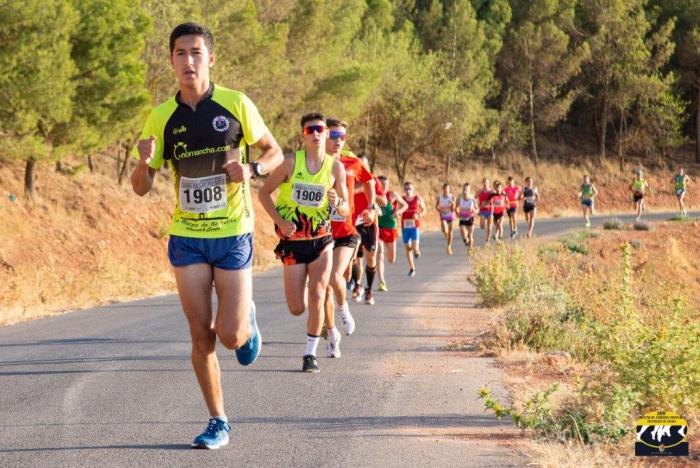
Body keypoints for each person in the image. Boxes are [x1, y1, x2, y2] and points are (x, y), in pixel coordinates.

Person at [131, 23, 283, 449]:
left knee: (231, 336)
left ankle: (246, 323)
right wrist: (143, 164)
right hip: (188, 236)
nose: (188, 60)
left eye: (196, 52)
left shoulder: (236, 103)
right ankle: (218, 421)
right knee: (201, 335)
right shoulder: (161, 116)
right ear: (171, 61)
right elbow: (140, 187)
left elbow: (275, 152)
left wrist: (252, 170)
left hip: (232, 232)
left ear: (210, 58)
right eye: (180, 53)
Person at [259, 113, 349, 373]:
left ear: (326, 133)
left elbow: (346, 210)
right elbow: (264, 194)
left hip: (322, 240)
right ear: (303, 135)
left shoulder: (335, 168)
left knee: (319, 294)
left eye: (321, 129)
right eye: (311, 130)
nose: (316, 133)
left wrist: (338, 203)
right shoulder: (290, 162)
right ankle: (315, 319)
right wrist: (280, 222)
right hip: (293, 242)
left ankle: (310, 354)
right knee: (297, 307)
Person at [321, 119, 375, 358]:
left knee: (335, 278)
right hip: (319, 233)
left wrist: (372, 206)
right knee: (323, 291)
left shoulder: (353, 162)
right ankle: (332, 335)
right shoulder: (311, 163)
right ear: (324, 136)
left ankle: (343, 310)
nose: (338, 140)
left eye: (342, 136)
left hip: (346, 232)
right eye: (333, 135)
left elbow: (369, 181)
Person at [350, 156, 386, 306]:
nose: (361, 169)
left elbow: (384, 202)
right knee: (351, 254)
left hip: (369, 223)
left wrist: (368, 191)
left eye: (364, 165)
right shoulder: (349, 180)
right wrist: (357, 188)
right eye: (359, 166)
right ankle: (357, 286)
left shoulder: (374, 181)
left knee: (371, 258)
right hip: (352, 222)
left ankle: (369, 289)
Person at [376, 175, 408, 291]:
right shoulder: (373, 195)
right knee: (380, 254)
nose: (383, 186)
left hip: (391, 228)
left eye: (385, 184)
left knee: (391, 259)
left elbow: (405, 205)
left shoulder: (392, 195)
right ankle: (381, 281)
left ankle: (382, 278)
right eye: (381, 184)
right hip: (378, 228)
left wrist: (398, 211)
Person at [401, 181, 426, 277]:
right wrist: (398, 214)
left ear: (413, 189)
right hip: (405, 227)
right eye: (406, 189)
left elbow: (424, 210)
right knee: (408, 249)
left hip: (414, 226)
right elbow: (398, 209)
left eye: (409, 189)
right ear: (404, 190)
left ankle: (417, 251)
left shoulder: (418, 198)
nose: (408, 191)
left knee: (414, 247)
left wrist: (418, 214)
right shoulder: (402, 200)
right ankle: (412, 268)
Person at [457, 182, 477, 254]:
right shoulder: (460, 198)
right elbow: (456, 207)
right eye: (464, 189)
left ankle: (470, 249)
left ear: (469, 190)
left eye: (466, 190)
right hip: (462, 217)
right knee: (462, 229)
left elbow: (477, 209)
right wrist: (457, 213)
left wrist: (474, 210)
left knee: (470, 235)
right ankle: (465, 239)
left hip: (470, 218)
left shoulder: (472, 199)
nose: (465, 191)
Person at [436, 183, 456, 255]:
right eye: (445, 188)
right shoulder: (440, 197)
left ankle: (449, 246)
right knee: (445, 230)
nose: (446, 190)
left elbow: (454, 209)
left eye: (448, 188)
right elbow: (436, 206)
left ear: (449, 189)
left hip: (450, 215)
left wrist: (453, 204)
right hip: (443, 215)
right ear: (443, 189)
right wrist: (440, 210)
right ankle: (447, 236)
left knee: (450, 231)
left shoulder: (452, 197)